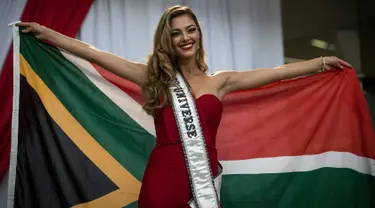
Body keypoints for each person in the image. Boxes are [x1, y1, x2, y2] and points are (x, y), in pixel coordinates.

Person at [17, 5, 352, 208]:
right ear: (168, 39)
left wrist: (320, 62)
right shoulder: (154, 76)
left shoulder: (221, 81)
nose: (185, 37)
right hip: (163, 177)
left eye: (190, 30)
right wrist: (47, 33)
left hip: (202, 178)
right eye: (176, 33)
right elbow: (93, 54)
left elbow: (274, 74)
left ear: (199, 35)